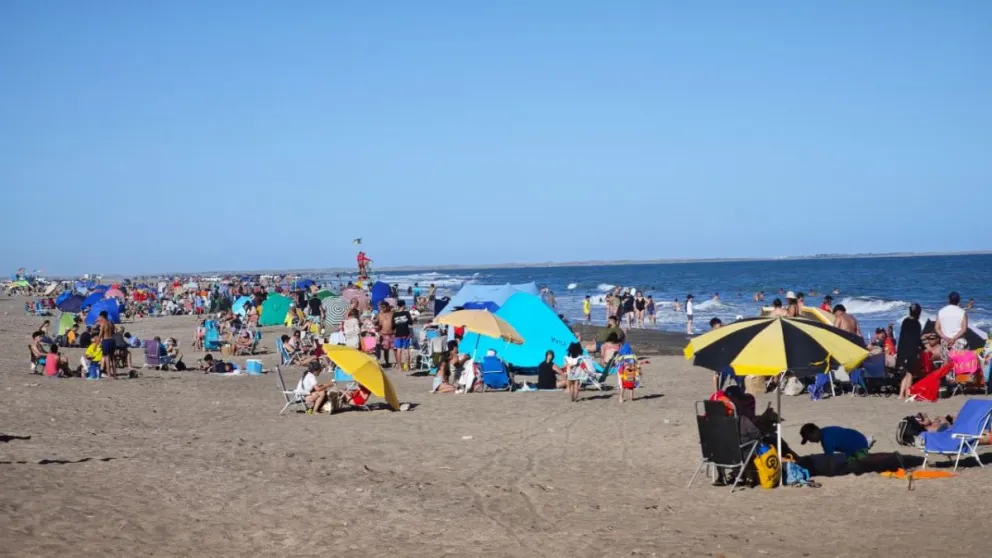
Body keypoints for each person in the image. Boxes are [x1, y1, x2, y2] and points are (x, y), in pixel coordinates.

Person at [800, 423, 875, 475]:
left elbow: (830, 460)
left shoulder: (827, 441)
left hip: (860, 448)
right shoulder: (825, 431)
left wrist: (827, 471)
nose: (810, 441)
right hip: (860, 439)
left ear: (814, 434)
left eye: (809, 439)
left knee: (851, 467)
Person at [896, 303, 924, 379]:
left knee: (904, 375)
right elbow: (917, 339)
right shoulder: (917, 324)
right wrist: (924, 348)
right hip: (911, 354)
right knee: (910, 374)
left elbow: (902, 337)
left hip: (901, 352)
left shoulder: (905, 322)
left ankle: (903, 391)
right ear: (918, 313)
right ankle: (908, 390)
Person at [392, 300, 414, 371]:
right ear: (403, 305)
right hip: (406, 333)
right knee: (406, 350)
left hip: (398, 334)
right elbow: (411, 322)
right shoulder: (407, 313)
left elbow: (393, 326)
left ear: (398, 306)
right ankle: (407, 367)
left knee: (399, 350)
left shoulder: (394, 314)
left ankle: (399, 367)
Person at [96, 311, 117, 379]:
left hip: (106, 340)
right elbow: (115, 331)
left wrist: (96, 344)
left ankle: (109, 375)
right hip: (112, 340)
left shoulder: (103, 323)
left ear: (102, 316)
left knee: (107, 358)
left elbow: (100, 334)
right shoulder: (111, 323)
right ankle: (114, 374)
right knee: (112, 358)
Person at [376, 302, 394, 367]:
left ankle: (397, 362)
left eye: (383, 307)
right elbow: (378, 324)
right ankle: (387, 362)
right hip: (383, 334)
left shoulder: (392, 314)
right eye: (381, 307)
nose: (382, 309)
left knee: (395, 349)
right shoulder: (379, 315)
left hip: (392, 334)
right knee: (385, 349)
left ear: (388, 306)